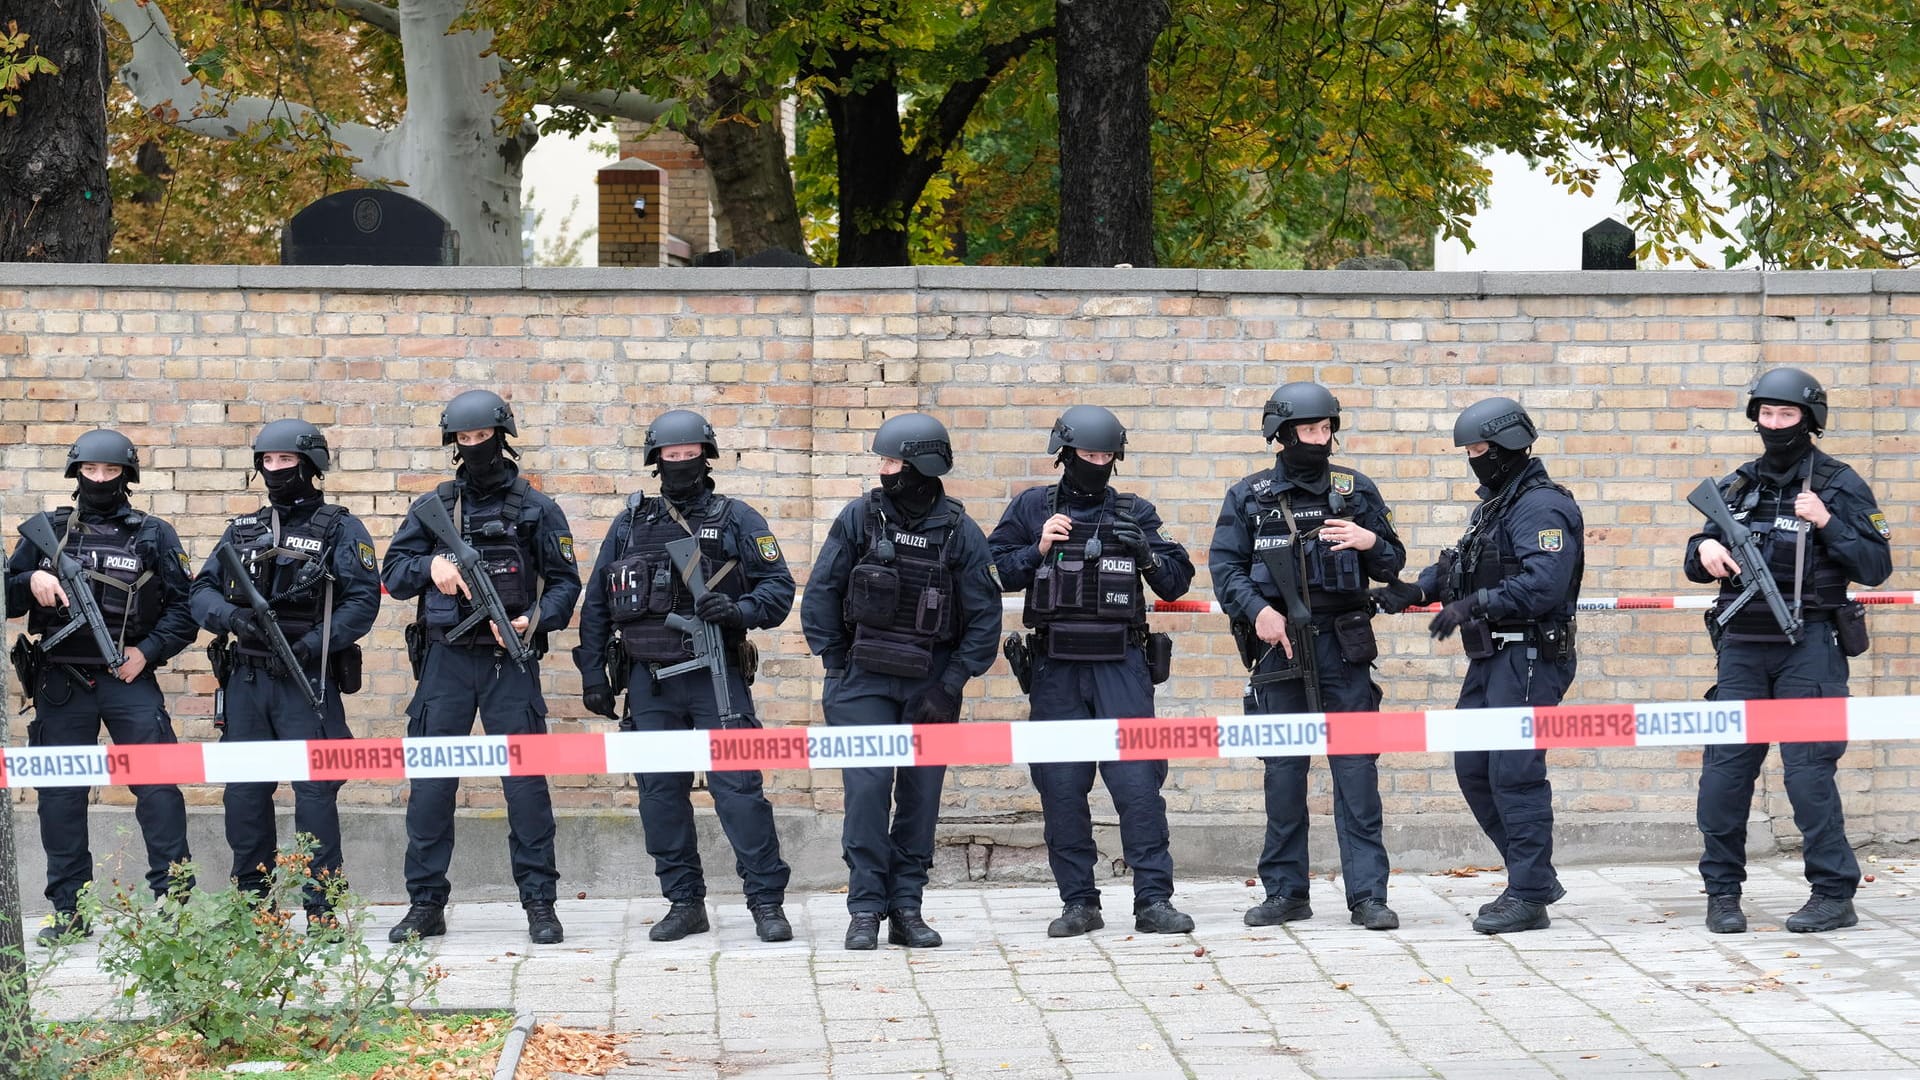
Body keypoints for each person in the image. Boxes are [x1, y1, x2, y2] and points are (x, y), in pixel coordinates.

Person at [573, 410, 796, 943]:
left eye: (689, 454)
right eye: (669, 456)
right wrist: (593, 674)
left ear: (706, 457)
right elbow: (598, 602)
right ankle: (683, 902)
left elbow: (779, 589)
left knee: (739, 791)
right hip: (649, 681)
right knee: (659, 795)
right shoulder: (629, 523)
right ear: (656, 462)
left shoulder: (736, 518)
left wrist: (737, 611)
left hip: (715, 676)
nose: (679, 463)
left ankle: (766, 902)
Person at [1685, 368, 1891, 935]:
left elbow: (1876, 567)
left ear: (1811, 420)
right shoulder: (1737, 485)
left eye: (1787, 415)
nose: (1774, 426)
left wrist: (1827, 522)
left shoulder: (1839, 484)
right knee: (1724, 778)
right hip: (1743, 650)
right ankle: (1722, 893)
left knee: (1808, 776)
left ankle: (1832, 893)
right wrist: (1704, 546)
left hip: (1811, 648)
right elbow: (1692, 557)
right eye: (1766, 415)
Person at [1375, 397, 1584, 935]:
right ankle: (1530, 878)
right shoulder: (1495, 507)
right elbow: (1460, 566)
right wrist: (1417, 590)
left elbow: (1544, 584)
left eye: (1479, 449)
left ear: (1510, 445)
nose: (1473, 458)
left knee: (1514, 774)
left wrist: (1475, 605)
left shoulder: (1541, 507)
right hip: (1492, 656)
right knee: (1474, 768)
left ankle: (1529, 893)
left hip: (1531, 654)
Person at [381, 389, 581, 945]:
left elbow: (566, 582)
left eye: (481, 438)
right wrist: (432, 565)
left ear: (502, 437)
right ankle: (425, 905)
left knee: (525, 788)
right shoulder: (435, 508)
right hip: (445, 661)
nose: (474, 448)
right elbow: (394, 574)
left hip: (507, 665)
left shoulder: (537, 508)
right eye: (463, 441)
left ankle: (540, 903)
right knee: (430, 788)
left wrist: (533, 621)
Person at [989, 405, 1197, 937]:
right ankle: (1079, 903)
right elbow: (993, 573)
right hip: (1056, 665)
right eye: (1088, 455)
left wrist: (1145, 551)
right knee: (1060, 787)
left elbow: (1176, 583)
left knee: (1138, 787)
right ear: (1065, 454)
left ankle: (1153, 900)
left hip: (1121, 664)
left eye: (1106, 456)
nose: (1097, 463)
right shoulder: (1033, 506)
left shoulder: (1135, 510)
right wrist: (1037, 546)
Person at [1209, 383, 1405, 931]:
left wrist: (1370, 542)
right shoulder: (1250, 495)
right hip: (1279, 647)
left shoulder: (1355, 488)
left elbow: (1393, 562)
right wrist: (1256, 612)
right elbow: (1224, 568)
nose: (1320, 440)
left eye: (1326, 430)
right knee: (1283, 774)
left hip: (1343, 646)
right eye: (1310, 430)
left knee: (1356, 774)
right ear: (1281, 433)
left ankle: (1368, 895)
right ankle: (1285, 892)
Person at [799, 413, 1000, 951]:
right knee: (866, 795)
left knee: (920, 799)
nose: (884, 471)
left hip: (929, 686)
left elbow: (985, 618)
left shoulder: (960, 530)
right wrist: (837, 665)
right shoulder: (860, 517)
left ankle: (906, 908)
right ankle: (865, 908)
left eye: (892, 461)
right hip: (862, 681)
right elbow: (821, 593)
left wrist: (950, 682)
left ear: (920, 466)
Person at [5, 430, 196, 944]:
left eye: (111, 472)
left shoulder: (154, 535)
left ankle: (174, 905)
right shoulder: (46, 531)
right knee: (60, 798)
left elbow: (184, 610)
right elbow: (7, 595)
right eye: (90, 471)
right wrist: (30, 583)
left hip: (126, 676)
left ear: (127, 476)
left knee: (158, 788)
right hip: (61, 681)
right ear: (76, 474)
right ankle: (69, 911)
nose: (100, 480)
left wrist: (147, 653)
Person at [189, 419, 380, 925]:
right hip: (248, 679)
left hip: (306, 679)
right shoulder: (243, 530)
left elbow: (362, 602)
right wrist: (235, 618)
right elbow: (201, 591)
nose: (275, 470)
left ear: (310, 465)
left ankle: (322, 907)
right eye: (268, 462)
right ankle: (255, 908)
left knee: (315, 790)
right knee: (246, 793)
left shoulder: (340, 527)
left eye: (285, 461)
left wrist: (313, 643)